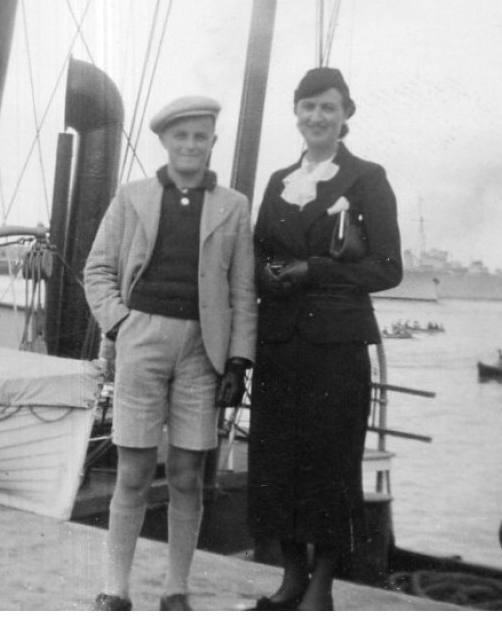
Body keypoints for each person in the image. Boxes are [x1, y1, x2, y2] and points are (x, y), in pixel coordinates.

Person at [83, 96, 257, 612]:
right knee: (134, 472)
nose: (190, 145)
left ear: (212, 143)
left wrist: (239, 361)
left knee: (186, 474)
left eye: (200, 137)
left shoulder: (234, 205)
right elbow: (97, 270)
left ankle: (176, 589)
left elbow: (242, 291)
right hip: (142, 340)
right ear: (164, 141)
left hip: (203, 350)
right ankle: (116, 588)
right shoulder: (132, 197)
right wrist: (121, 323)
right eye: (181, 136)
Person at [246, 67, 402, 611]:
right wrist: (265, 274)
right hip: (279, 343)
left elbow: (387, 268)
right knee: (276, 460)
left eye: (328, 108)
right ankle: (291, 577)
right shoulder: (277, 180)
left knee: (331, 464)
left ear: (345, 116)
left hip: (336, 348)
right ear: (296, 113)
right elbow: (260, 250)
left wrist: (313, 269)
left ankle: (322, 587)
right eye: (308, 106)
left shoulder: (367, 178)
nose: (317, 117)